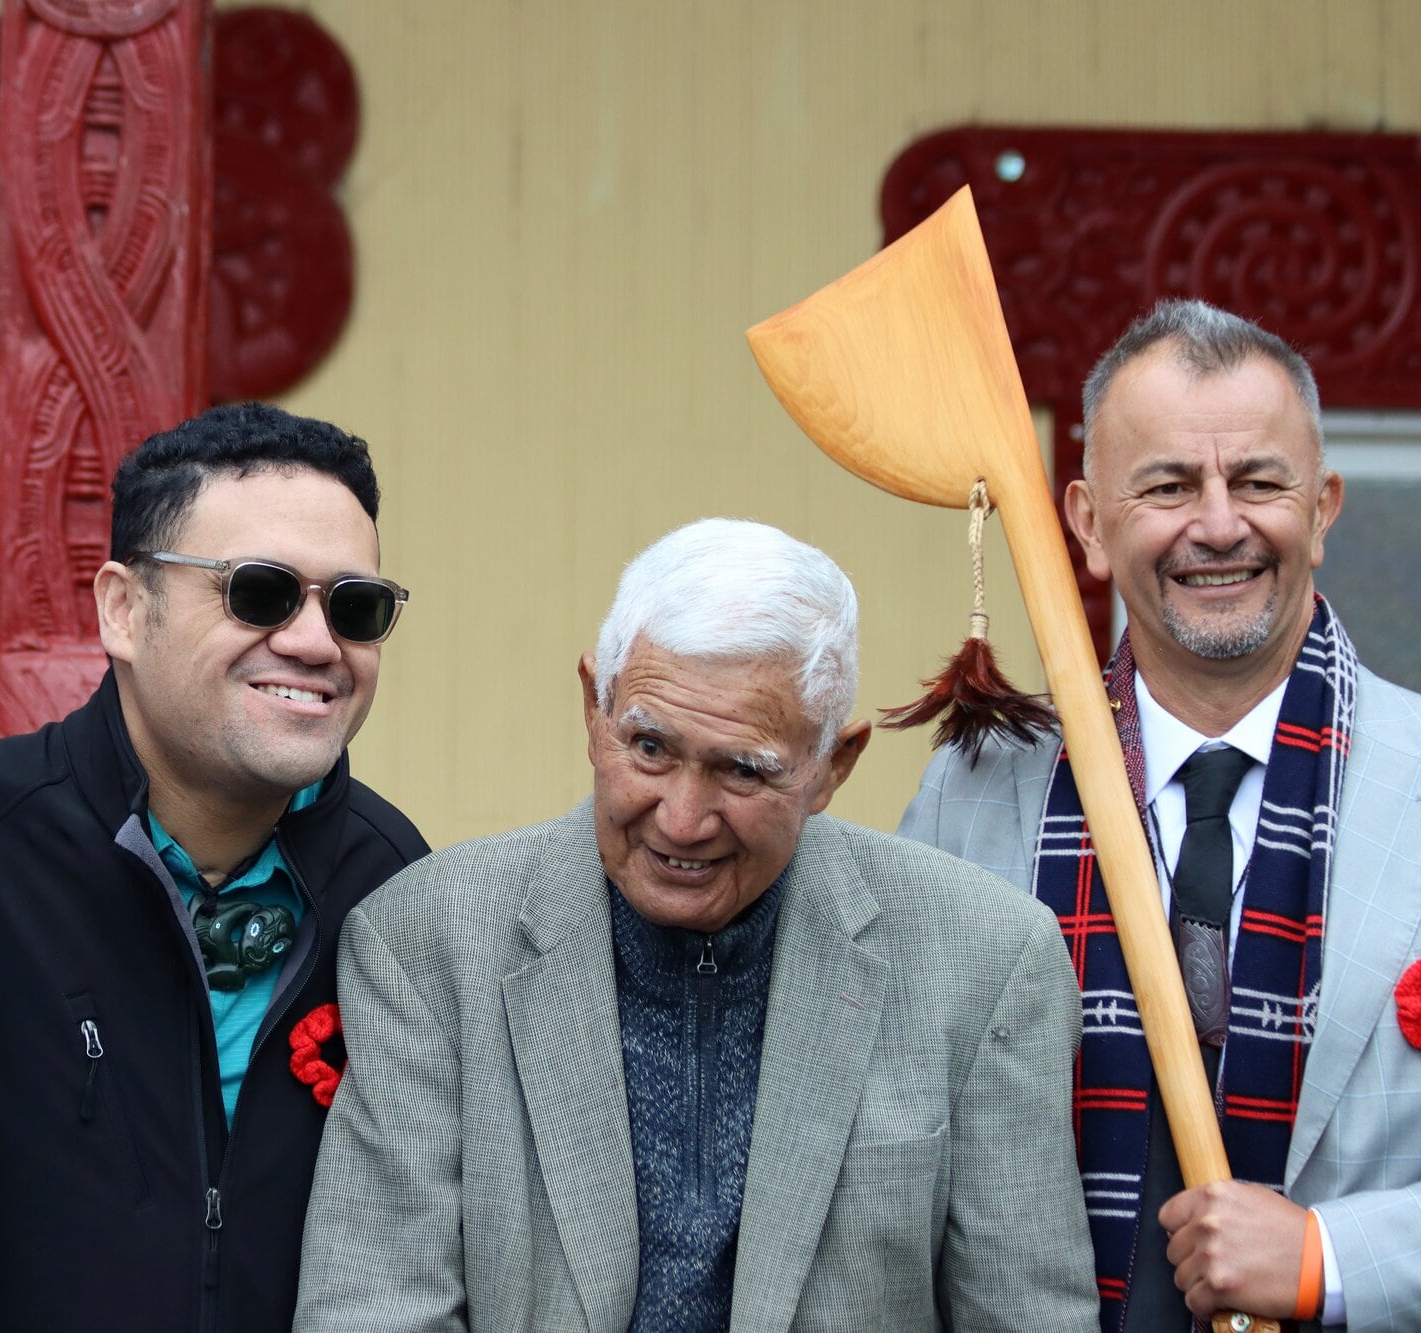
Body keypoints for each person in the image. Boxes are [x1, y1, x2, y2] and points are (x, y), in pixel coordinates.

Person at [294, 518, 1099, 1333]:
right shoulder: (428, 941)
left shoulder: (985, 959)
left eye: (742, 769)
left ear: (832, 768)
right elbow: (374, 1310)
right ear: (593, 709)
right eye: (649, 747)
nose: (681, 820)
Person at [901, 298, 1421, 1331]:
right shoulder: (975, 793)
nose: (1219, 523)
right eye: (1169, 485)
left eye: (1259, 482)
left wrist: (1327, 1253)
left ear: (1320, 509)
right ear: (1087, 524)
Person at [0, 402, 429, 1332]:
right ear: (124, 610)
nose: (315, 642)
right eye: (260, 591)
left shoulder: (400, 891)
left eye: (355, 607)